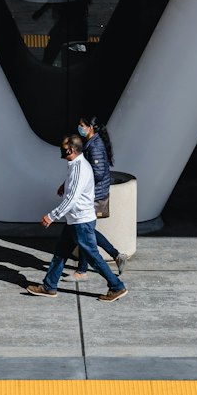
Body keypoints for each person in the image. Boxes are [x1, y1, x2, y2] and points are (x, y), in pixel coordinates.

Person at [26, 134, 127, 302]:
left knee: (93, 257)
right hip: (75, 220)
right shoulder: (75, 164)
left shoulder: (80, 167)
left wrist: (52, 216)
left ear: (71, 149)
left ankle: (117, 286)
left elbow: (72, 198)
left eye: (63, 148)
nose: (61, 151)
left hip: (81, 221)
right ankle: (49, 286)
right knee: (60, 253)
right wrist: (64, 185)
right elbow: (72, 187)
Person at [71, 116, 124, 279]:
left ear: (90, 127)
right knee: (86, 230)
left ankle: (82, 270)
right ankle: (114, 256)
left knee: (84, 230)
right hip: (93, 193)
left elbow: (98, 173)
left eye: (82, 125)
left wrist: (81, 185)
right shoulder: (93, 143)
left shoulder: (95, 146)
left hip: (94, 195)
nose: (79, 128)